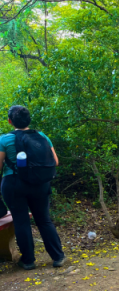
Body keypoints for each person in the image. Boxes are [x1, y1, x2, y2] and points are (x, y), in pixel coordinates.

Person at [0, 105, 65, 270]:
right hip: (40, 184)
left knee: (21, 221)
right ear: (29, 120)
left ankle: (28, 261)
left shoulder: (4, 139)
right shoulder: (41, 136)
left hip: (14, 185)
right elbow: (55, 161)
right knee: (44, 220)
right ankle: (58, 257)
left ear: (10, 121)